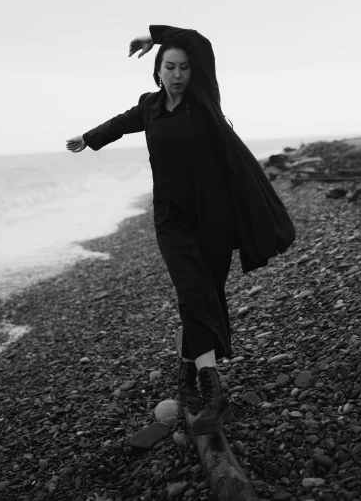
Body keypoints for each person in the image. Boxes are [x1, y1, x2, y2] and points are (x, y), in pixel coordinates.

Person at [66, 25, 296, 436]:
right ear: (157, 71)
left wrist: (152, 35)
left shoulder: (203, 101)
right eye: (169, 66)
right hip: (171, 218)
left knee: (205, 293)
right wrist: (88, 137)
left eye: (184, 67)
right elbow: (121, 123)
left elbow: (197, 39)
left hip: (215, 216)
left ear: (194, 71)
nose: (177, 74)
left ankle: (187, 379)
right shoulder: (150, 107)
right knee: (192, 291)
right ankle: (213, 395)